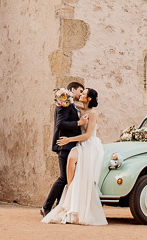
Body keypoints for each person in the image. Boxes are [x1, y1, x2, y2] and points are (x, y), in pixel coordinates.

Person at [41, 88, 107, 226]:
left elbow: (88, 135)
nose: (80, 94)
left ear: (89, 98)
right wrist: (63, 96)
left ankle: (72, 201)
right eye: (80, 91)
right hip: (79, 144)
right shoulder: (78, 108)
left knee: (74, 167)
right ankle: (70, 193)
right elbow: (66, 103)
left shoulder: (93, 113)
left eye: (83, 93)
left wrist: (68, 140)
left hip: (89, 144)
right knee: (70, 163)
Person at [41, 82, 86, 216]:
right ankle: (46, 207)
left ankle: (58, 207)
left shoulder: (71, 103)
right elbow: (60, 123)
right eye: (80, 91)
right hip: (64, 145)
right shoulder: (64, 101)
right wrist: (79, 123)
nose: (81, 93)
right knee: (63, 178)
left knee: (66, 179)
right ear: (73, 89)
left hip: (69, 145)